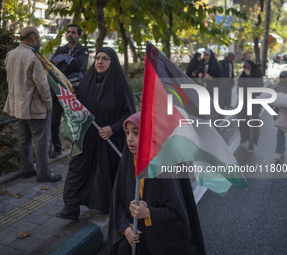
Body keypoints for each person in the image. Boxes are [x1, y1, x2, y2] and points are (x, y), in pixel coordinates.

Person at [108, 112, 206, 255]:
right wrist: (125, 229)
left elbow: (177, 216)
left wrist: (148, 213)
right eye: (127, 132)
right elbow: (118, 204)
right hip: (135, 233)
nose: (129, 139)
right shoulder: (127, 163)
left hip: (158, 237)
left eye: (136, 133)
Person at [56, 47, 135, 219]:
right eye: (98, 58)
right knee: (77, 170)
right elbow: (79, 105)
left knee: (106, 174)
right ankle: (71, 207)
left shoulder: (120, 84)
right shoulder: (87, 81)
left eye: (105, 58)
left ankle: (108, 205)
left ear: (112, 62)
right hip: (86, 137)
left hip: (110, 138)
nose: (100, 61)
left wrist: (112, 128)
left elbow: (129, 113)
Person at [4, 27, 62, 182]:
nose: (39, 41)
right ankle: (44, 174)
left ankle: (27, 169)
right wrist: (49, 103)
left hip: (18, 106)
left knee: (24, 139)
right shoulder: (33, 57)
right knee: (42, 140)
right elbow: (42, 85)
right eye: (38, 38)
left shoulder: (10, 54)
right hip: (36, 106)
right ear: (33, 39)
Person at [49, 24, 89, 159]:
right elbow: (52, 66)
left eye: (73, 32)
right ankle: (57, 148)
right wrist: (69, 63)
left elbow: (81, 66)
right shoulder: (60, 49)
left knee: (75, 121)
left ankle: (77, 148)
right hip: (59, 90)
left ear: (79, 35)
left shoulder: (83, 50)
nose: (70, 34)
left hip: (75, 91)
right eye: (68, 32)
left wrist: (65, 60)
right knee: (54, 121)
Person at [237, 60, 263, 153]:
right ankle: (243, 137)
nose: (245, 69)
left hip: (253, 103)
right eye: (244, 67)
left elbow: (256, 89)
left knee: (252, 125)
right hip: (243, 103)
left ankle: (251, 145)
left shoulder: (257, 75)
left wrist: (249, 76)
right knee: (241, 122)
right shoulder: (242, 76)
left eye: (248, 67)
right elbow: (239, 88)